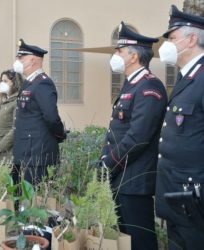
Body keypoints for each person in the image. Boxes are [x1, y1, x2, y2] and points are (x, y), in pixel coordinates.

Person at [99, 22, 167, 250]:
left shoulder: (150, 87)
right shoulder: (131, 85)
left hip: (135, 181)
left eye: (119, 51)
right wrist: (103, 160)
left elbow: (137, 137)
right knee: (125, 240)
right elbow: (115, 131)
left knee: (140, 242)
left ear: (133, 57)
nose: (115, 55)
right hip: (122, 177)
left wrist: (108, 163)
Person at [156, 5, 204, 249]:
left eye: (173, 38)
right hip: (176, 193)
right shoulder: (188, 76)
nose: (168, 46)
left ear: (192, 39)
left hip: (193, 197)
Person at [12, 39, 66, 186]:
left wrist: (60, 135)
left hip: (38, 153)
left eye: (21, 58)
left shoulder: (42, 83)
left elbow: (51, 117)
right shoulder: (28, 82)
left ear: (33, 60)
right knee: (19, 199)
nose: (17, 61)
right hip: (25, 152)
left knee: (35, 201)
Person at [0, 69, 24, 164]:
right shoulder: (2, 102)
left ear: (14, 82)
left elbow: (16, 128)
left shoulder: (17, 102)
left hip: (9, 153)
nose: (2, 84)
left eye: (5, 81)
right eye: (1, 81)